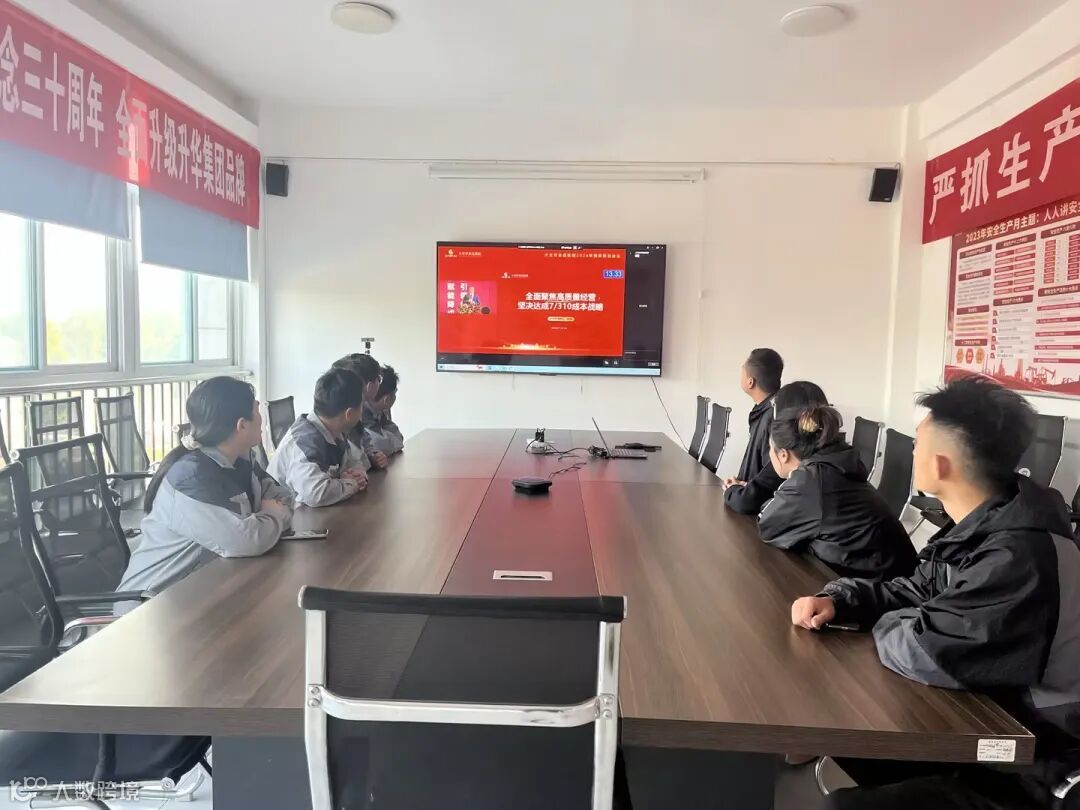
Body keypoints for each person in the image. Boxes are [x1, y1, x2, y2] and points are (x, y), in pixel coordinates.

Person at [790, 378, 1080, 809]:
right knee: (843, 728)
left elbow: (925, 648)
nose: (911, 450)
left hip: (1032, 768)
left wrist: (897, 622)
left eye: (918, 442)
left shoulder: (1019, 556)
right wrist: (842, 599)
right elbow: (916, 590)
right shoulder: (986, 525)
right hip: (981, 726)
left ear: (941, 464)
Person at [115, 377, 293, 609]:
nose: (262, 419)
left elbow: (283, 496)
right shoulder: (192, 477)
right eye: (257, 411)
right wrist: (274, 515)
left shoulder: (241, 458)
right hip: (150, 606)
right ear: (241, 425)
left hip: (200, 594)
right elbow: (247, 540)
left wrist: (267, 517)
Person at [758, 405, 917, 579]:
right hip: (897, 575)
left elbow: (768, 525)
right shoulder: (836, 464)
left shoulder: (812, 480)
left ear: (783, 454)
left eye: (770, 448)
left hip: (884, 587)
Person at [268, 368, 370, 507]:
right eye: (361, 405)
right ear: (349, 414)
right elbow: (315, 493)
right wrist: (352, 484)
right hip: (291, 515)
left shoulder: (335, 430)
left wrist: (359, 473)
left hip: (315, 512)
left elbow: (352, 461)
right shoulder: (307, 441)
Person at [725, 379, 827, 514]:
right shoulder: (838, 455)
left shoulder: (791, 454)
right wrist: (747, 487)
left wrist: (731, 489)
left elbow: (748, 501)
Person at [723, 349, 784, 510]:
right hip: (748, 496)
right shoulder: (769, 409)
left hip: (756, 512)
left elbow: (771, 480)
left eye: (743, 368)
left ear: (751, 382)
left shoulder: (773, 417)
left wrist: (741, 492)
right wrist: (743, 486)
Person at [332, 353, 389, 470]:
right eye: (378, 379)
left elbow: (364, 442)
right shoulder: (342, 414)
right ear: (369, 386)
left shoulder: (357, 407)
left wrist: (373, 455)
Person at [363, 365, 404, 458]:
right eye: (395, 393)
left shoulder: (380, 413)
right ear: (387, 399)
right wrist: (391, 441)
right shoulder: (362, 413)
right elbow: (379, 444)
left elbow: (399, 437)